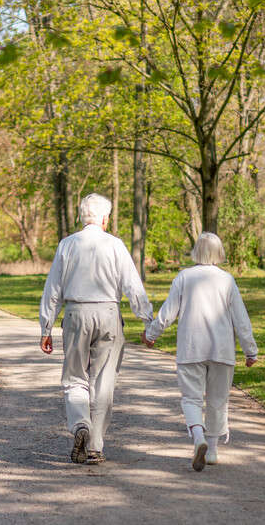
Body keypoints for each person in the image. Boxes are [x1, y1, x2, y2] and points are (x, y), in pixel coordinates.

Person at [40, 193, 154, 465]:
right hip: (108, 312)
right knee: (103, 381)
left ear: (82, 217)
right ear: (105, 218)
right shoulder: (115, 245)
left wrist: (46, 326)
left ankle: (80, 424)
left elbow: (53, 289)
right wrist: (148, 320)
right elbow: (132, 285)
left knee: (75, 377)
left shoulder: (67, 244)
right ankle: (95, 446)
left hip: (77, 312)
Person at [142, 232, 258, 471]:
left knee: (191, 398)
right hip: (222, 349)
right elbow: (241, 318)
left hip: (191, 348)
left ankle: (198, 438)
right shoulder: (227, 280)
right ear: (219, 253)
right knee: (218, 400)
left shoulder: (184, 276)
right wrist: (250, 350)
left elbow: (168, 312)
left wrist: (151, 334)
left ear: (196, 251)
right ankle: (213, 451)